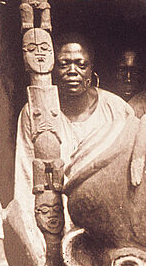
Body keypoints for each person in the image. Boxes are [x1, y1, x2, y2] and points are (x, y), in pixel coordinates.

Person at [14, 33, 134, 228]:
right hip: (52, 221)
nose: (72, 71)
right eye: (64, 64)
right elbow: (26, 177)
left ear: (91, 69)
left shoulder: (117, 110)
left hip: (107, 224)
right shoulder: (34, 112)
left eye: (81, 64)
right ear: (52, 69)